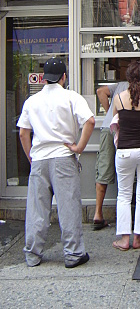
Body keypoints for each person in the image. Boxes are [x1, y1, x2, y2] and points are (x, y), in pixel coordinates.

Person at [17, 57, 95, 268]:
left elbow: (24, 132)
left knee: (37, 209)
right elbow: (90, 121)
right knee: (68, 207)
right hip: (63, 157)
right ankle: (73, 254)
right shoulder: (71, 97)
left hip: (39, 158)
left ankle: (32, 254)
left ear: (44, 79)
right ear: (64, 77)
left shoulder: (31, 101)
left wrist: (30, 157)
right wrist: (79, 147)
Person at [111, 60, 140, 251]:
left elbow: (115, 124)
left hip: (124, 152)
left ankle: (124, 239)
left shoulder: (119, 98)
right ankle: (139, 238)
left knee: (124, 196)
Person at [93, 79, 129, 230]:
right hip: (129, 129)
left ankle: (98, 213)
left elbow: (100, 91)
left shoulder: (120, 85)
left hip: (109, 127)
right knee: (129, 169)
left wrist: (110, 113)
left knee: (104, 168)